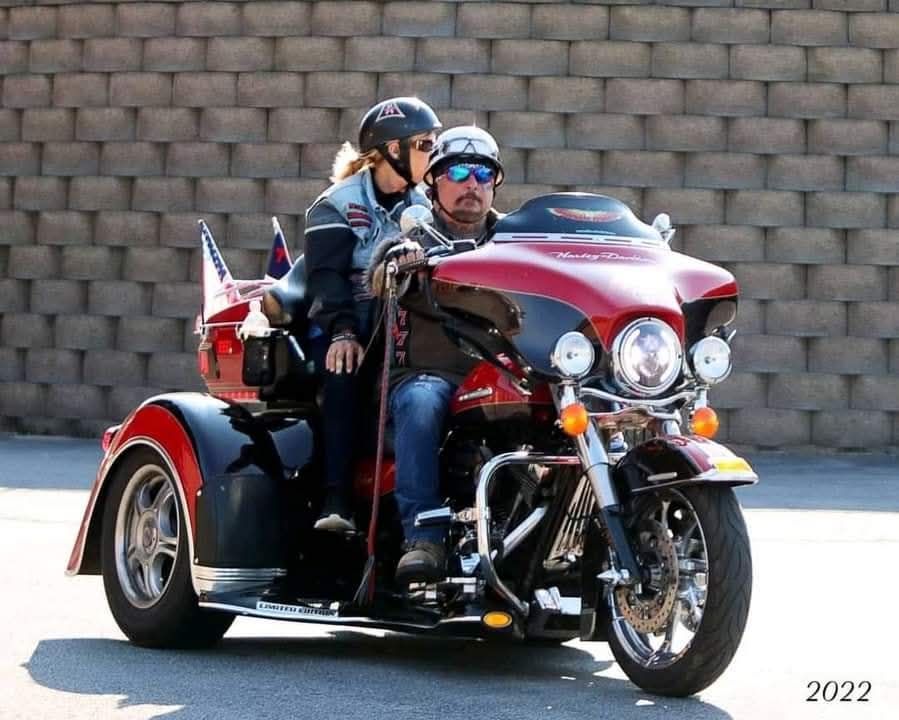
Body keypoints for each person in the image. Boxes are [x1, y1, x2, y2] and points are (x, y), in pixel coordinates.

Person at [264, 97, 442, 532]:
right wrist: (343, 332)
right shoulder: (336, 205)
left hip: (405, 315)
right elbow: (326, 280)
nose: (431, 154)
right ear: (391, 151)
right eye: (423, 144)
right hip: (346, 317)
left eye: (434, 144)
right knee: (344, 369)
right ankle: (336, 499)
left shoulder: (425, 204)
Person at [366, 126, 505, 584]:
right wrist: (398, 264)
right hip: (429, 373)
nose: (472, 184)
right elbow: (379, 275)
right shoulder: (414, 234)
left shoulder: (515, 240)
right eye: (459, 172)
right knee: (422, 402)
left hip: (503, 373)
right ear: (435, 182)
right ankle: (422, 535)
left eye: (483, 174)